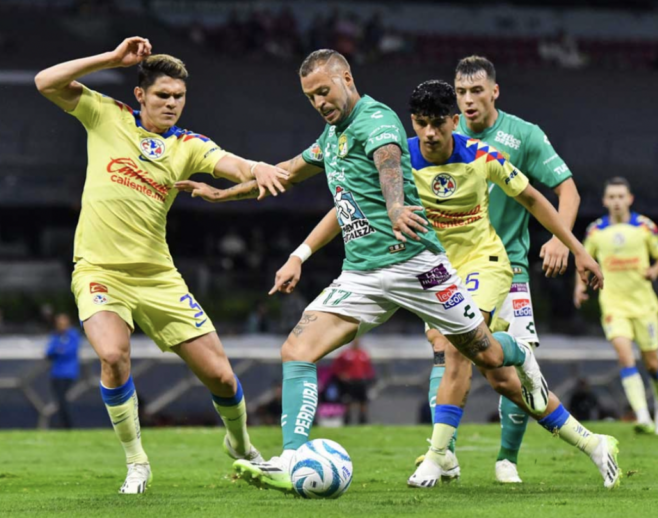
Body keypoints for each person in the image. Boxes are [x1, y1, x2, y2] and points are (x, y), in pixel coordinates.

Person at [176, 49, 592, 493]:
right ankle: (292, 456)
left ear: (346, 78)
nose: (318, 101)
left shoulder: (376, 121)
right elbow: (284, 173)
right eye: (310, 96)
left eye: (324, 90)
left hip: (415, 265)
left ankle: (517, 356)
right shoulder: (330, 136)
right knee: (296, 350)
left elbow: (389, 162)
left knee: (486, 357)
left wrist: (396, 206)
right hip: (362, 274)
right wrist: (223, 196)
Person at [34, 36, 288, 493]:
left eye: (179, 97)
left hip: (158, 277)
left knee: (222, 377)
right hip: (99, 271)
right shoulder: (105, 114)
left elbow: (231, 163)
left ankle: (242, 445)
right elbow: (45, 81)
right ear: (140, 95)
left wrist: (259, 169)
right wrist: (111, 59)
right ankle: (137, 462)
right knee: (112, 356)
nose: (172, 104)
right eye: (162, 96)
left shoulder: (187, 145)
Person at [404, 80, 618, 489]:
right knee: (499, 376)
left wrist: (576, 248)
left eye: (436, 124)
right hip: (437, 270)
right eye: (421, 124)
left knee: (456, 347)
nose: (429, 133)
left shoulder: (489, 153)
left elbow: (538, 198)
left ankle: (440, 455)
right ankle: (592, 443)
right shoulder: (400, 157)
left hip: (490, 262)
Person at [449, 55, 583, 483]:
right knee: (450, 356)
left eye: (476, 92)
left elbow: (567, 190)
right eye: (461, 92)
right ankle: (441, 454)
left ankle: (507, 458)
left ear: (494, 92)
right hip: (453, 267)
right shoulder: (443, 135)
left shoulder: (522, 135)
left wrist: (562, 239)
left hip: (509, 267)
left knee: (520, 363)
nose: (468, 101)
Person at [576, 177, 658, 435]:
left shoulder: (644, 226)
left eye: (621, 196)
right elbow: (584, 260)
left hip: (644, 305)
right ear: (605, 201)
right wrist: (579, 287)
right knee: (625, 356)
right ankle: (642, 416)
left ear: (629, 199)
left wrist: (653, 271)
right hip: (613, 304)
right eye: (612, 197)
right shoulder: (596, 230)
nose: (617, 201)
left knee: (651, 364)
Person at [45, 313, 81, 429]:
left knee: (62, 399)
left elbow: (69, 351)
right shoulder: (55, 335)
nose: (61, 325)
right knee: (59, 400)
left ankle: (67, 425)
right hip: (56, 373)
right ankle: (63, 424)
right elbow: (49, 352)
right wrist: (59, 350)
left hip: (68, 373)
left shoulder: (73, 335)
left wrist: (58, 350)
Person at [331, 338, 375, 424]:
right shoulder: (345, 354)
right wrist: (341, 375)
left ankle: (362, 419)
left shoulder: (363, 353)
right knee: (348, 400)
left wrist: (369, 377)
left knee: (363, 400)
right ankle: (347, 418)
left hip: (361, 381)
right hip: (350, 382)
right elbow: (336, 367)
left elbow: (368, 368)